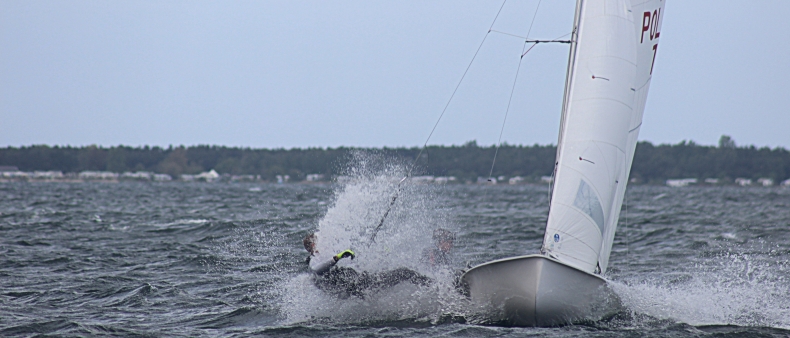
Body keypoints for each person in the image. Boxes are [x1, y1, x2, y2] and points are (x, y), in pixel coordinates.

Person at [303, 233, 432, 298]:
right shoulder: (314, 261)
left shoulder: (322, 257)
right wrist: (338, 257)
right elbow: (318, 270)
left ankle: (433, 285)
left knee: (401, 272)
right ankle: (436, 287)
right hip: (360, 286)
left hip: (360, 282)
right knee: (404, 273)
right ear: (314, 245)